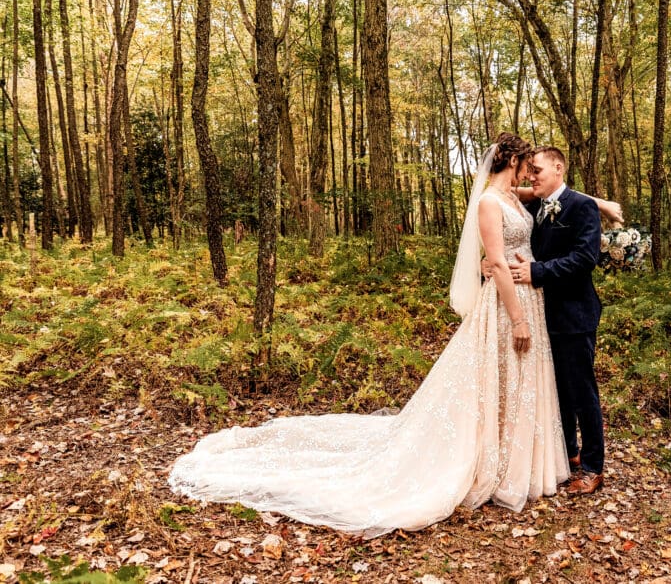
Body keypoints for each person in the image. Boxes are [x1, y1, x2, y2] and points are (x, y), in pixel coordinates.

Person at [168, 133, 568, 537]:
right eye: (527, 164)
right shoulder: (487, 202)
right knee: (494, 378)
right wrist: (517, 319)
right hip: (506, 305)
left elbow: (553, 195)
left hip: (527, 292)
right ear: (513, 160)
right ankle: (489, 465)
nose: (531, 172)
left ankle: (512, 463)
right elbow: (497, 263)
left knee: (512, 379)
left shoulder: (515, 197)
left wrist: (596, 205)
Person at [510, 147, 606, 495]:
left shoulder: (582, 207)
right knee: (557, 390)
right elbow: (507, 190)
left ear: (558, 168)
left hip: (575, 313)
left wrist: (535, 271)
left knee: (581, 391)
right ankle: (569, 453)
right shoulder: (535, 204)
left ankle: (594, 466)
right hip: (542, 314)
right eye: (529, 171)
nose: (531, 176)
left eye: (537, 170)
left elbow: (584, 258)